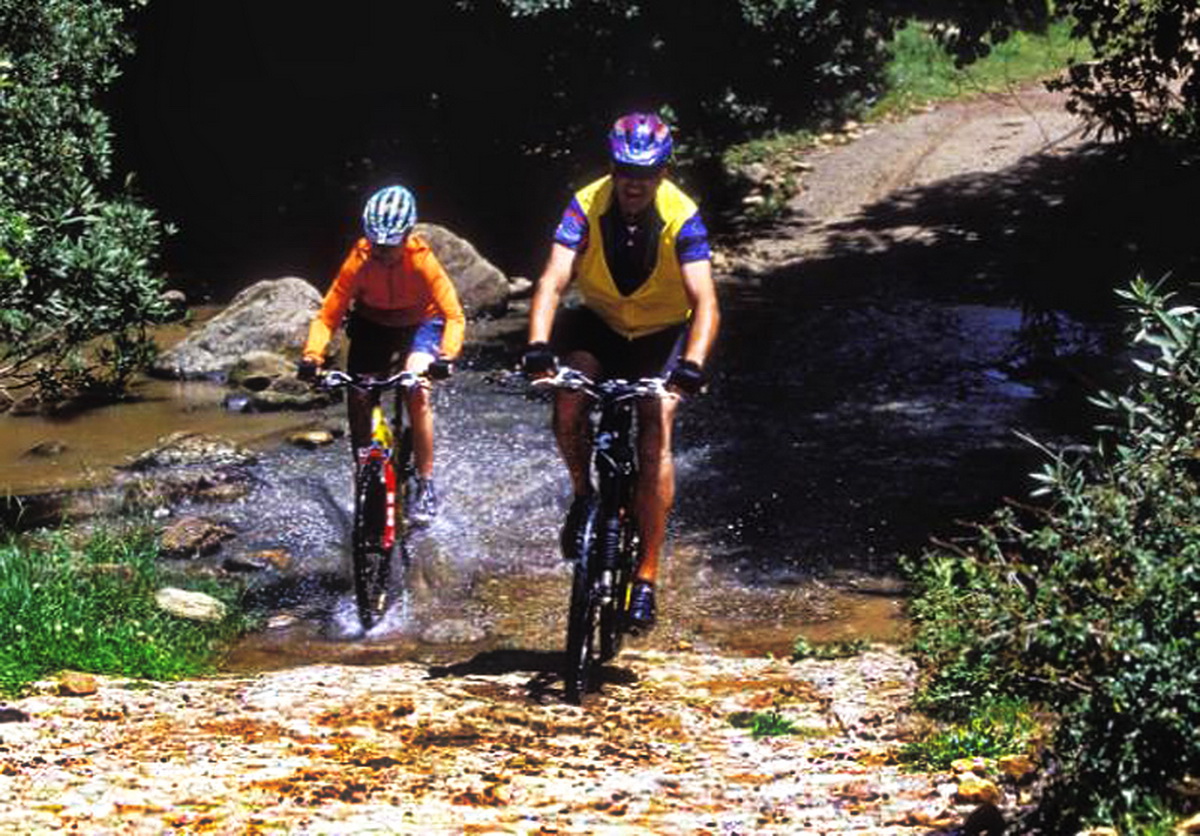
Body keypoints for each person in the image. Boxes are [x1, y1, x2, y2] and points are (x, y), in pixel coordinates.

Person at [521, 112, 720, 632]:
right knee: (568, 402)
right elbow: (552, 280)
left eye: (647, 172)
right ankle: (584, 496)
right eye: (624, 170)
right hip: (601, 324)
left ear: (662, 171)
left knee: (655, 433)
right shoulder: (585, 205)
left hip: (662, 336)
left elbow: (706, 303)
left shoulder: (683, 215)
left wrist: (692, 367)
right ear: (611, 166)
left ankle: (647, 577)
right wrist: (538, 347)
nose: (634, 183)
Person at [299, 184, 465, 525]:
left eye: (389, 247)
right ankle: (366, 476)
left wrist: (446, 357)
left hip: (422, 323)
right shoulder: (359, 261)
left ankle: (425, 483)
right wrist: (312, 357)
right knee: (358, 395)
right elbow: (328, 315)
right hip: (373, 324)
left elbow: (454, 316)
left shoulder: (423, 261)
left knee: (415, 388)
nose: (380, 252)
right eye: (375, 244)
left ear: (406, 236)